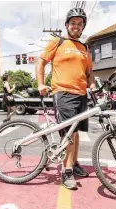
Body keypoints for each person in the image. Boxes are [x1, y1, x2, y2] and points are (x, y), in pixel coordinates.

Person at [36, 8, 96, 190]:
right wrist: (40, 84)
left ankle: (75, 163)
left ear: (83, 26)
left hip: (81, 94)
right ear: (67, 26)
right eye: (73, 23)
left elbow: (89, 73)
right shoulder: (58, 42)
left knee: (76, 133)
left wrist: (93, 87)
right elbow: (41, 62)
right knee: (68, 134)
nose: (76, 26)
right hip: (63, 92)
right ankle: (66, 171)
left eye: (80, 24)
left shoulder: (85, 48)